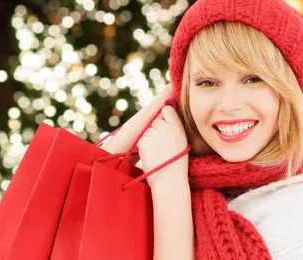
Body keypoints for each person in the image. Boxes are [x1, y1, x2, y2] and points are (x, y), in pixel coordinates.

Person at [102, 0, 303, 259]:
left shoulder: (293, 208)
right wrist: (167, 101)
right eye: (207, 82)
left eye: (253, 79)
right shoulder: (173, 175)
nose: (229, 105)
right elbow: (69, 197)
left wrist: (169, 187)